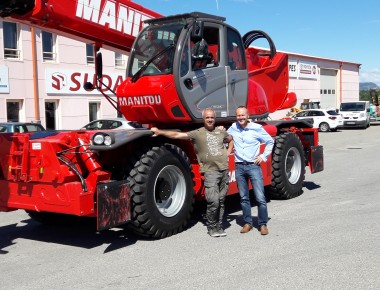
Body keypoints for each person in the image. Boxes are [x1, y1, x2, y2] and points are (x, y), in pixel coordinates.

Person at [151, 108, 232, 238]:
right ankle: (212, 227)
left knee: (222, 201)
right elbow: (178, 135)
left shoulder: (220, 132)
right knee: (214, 201)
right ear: (203, 119)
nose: (210, 120)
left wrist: (227, 153)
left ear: (215, 119)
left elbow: (230, 139)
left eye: (212, 117)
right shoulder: (197, 133)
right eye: (207, 118)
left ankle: (219, 226)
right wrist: (160, 132)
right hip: (210, 171)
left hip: (224, 170)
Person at [227, 106, 274, 235]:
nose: (240, 118)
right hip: (239, 167)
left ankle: (262, 224)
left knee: (260, 197)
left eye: (243, 115)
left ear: (248, 116)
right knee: (243, 197)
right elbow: (226, 138)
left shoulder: (257, 128)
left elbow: (270, 141)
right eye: (238, 115)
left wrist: (263, 156)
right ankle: (248, 223)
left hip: (253, 166)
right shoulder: (233, 128)